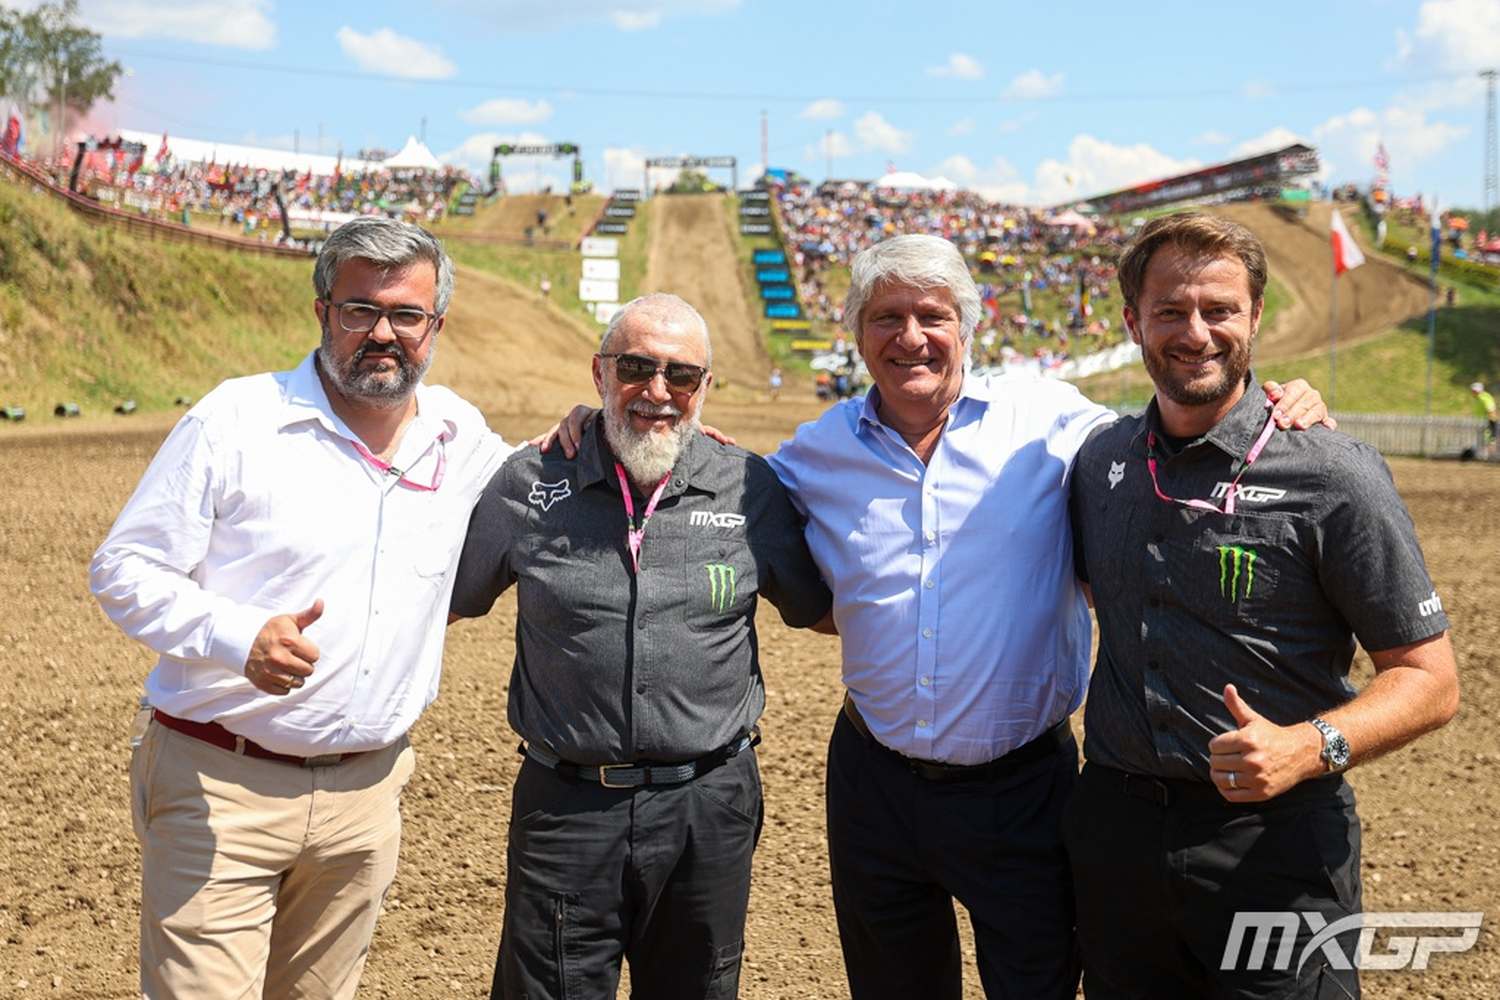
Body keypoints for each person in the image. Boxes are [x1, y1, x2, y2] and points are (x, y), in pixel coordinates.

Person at [549, 234, 1328, 1000]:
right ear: (857, 334)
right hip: (874, 785)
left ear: (968, 325)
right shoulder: (814, 453)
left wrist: (1272, 402)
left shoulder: (1053, 423)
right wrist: (597, 425)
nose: (911, 338)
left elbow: (1180, 430)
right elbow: (704, 486)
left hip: (1024, 788)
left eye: (932, 316)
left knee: (1036, 986)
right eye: (886, 318)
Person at [90, 217, 515, 998]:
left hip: (365, 802)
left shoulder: (460, 438)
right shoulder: (237, 420)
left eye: (406, 314)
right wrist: (238, 635)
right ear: (323, 312)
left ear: (436, 325)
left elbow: (550, 480)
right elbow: (123, 568)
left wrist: (602, 426)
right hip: (222, 787)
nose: (382, 334)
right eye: (360, 310)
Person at [1065, 212, 1458, 998]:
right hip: (1117, 840)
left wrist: (1309, 747)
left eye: (1220, 309)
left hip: (1274, 842)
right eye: (1171, 310)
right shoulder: (1100, 461)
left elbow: (1431, 680)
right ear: (1133, 321)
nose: (1196, 332)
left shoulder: (1333, 472)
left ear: (1255, 318)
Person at [450, 293, 832, 1000]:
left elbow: (824, 610)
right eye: (635, 367)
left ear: (704, 387)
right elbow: (444, 598)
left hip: (707, 809)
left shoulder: (750, 486)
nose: (657, 391)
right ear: (599, 372)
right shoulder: (531, 481)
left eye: (680, 375)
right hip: (566, 808)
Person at [1471, 381, 1496, 451]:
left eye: (1475, 391)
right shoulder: (1477, 398)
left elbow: (1491, 412)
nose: (1473, 392)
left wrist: (1492, 429)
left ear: (1480, 391)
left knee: (1488, 445)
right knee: (1481, 446)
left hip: (1486, 426)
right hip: (1480, 425)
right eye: (1473, 390)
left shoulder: (1484, 398)